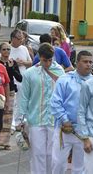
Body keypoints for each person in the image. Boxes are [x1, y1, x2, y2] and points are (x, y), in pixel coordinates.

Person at [19, 43, 64, 173]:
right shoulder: (30, 73)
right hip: (35, 118)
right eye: (45, 60)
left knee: (52, 154)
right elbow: (24, 97)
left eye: (50, 60)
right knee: (37, 153)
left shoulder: (59, 71)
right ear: (39, 57)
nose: (48, 63)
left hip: (54, 119)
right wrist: (21, 119)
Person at [51, 51, 93, 174]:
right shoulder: (65, 80)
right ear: (76, 63)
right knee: (58, 163)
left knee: (81, 167)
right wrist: (65, 119)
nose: (88, 65)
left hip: (84, 132)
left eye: (90, 62)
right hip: (65, 129)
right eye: (85, 62)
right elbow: (55, 102)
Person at [0, 42, 23, 150]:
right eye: (4, 49)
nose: (6, 52)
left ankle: (5, 142)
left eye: (8, 49)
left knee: (8, 117)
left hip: (10, 91)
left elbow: (20, 78)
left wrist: (11, 68)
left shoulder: (12, 62)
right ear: (0, 51)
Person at [9, 29, 32, 131]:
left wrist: (23, 62)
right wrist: (14, 63)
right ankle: (12, 123)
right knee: (12, 102)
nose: (21, 41)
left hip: (23, 78)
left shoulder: (24, 49)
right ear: (13, 39)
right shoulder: (8, 49)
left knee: (21, 101)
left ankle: (19, 121)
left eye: (22, 38)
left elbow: (30, 62)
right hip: (11, 79)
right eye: (19, 39)